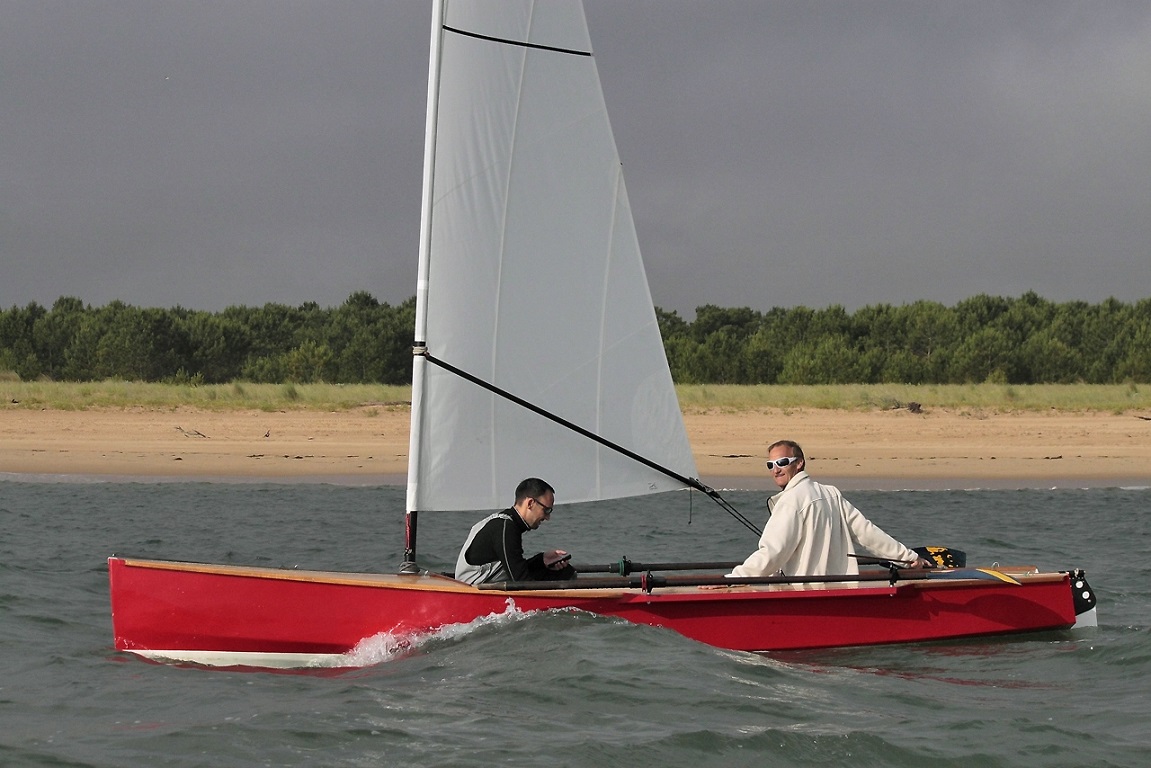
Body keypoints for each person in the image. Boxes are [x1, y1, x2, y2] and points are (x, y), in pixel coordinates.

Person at [727, 440, 932, 578]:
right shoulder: (830, 493)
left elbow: (773, 552)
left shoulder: (791, 501)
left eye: (782, 462)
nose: (776, 469)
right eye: (770, 465)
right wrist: (909, 558)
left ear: (799, 464)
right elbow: (867, 534)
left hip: (805, 596)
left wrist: (733, 579)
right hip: (836, 590)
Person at [454, 477, 577, 585]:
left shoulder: (504, 521)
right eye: (546, 511)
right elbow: (521, 581)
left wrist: (542, 560)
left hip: (482, 582)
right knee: (565, 574)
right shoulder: (505, 528)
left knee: (563, 571)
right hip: (471, 589)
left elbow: (514, 568)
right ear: (530, 503)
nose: (548, 518)